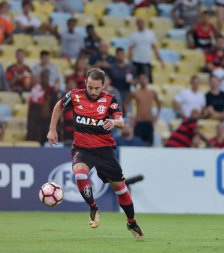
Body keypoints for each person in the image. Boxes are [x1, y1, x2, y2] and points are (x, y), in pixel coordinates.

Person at [47, 68, 144, 240]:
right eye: (90, 87)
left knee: (121, 190)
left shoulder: (110, 99)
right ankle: (93, 207)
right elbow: (59, 106)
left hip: (104, 151)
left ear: (103, 86)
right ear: (86, 82)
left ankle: (131, 222)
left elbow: (121, 121)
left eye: (96, 88)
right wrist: (52, 130)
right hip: (82, 149)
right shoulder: (75, 96)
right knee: (79, 175)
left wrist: (113, 122)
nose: (93, 91)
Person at [125, 73, 161, 146]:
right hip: (139, 121)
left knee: (149, 144)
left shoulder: (152, 92)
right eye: (141, 78)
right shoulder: (135, 92)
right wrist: (130, 116)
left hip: (149, 121)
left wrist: (157, 116)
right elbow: (125, 104)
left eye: (145, 78)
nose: (143, 80)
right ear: (138, 80)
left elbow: (159, 104)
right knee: (137, 144)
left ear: (148, 80)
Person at [27, 69, 58, 145]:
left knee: (49, 144)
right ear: (41, 78)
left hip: (49, 122)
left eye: (47, 77)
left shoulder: (52, 91)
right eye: (44, 76)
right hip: (37, 122)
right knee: (36, 142)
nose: (45, 78)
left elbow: (57, 109)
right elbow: (32, 109)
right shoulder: (36, 90)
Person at [128, 18, 164, 83]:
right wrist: (129, 61)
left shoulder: (150, 34)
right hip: (136, 61)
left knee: (147, 81)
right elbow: (130, 49)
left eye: (142, 22)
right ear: (137, 24)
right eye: (139, 22)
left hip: (147, 61)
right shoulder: (133, 35)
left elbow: (154, 48)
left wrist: (161, 60)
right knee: (136, 80)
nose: (141, 24)